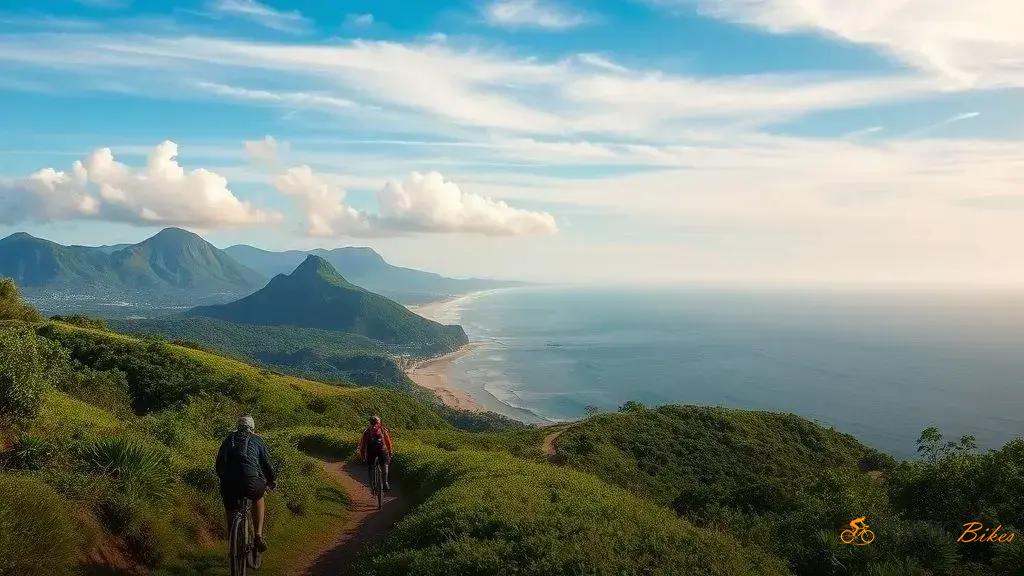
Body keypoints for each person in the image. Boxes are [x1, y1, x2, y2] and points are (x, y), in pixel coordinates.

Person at [215, 415, 277, 553]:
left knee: (230, 507)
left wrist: (224, 479)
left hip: (229, 483)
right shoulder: (257, 440)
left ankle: (233, 538)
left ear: (238, 426)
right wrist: (272, 480)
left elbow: (219, 464)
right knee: (259, 497)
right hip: (251, 481)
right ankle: (258, 535)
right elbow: (266, 464)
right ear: (252, 428)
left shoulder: (228, 440)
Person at [358, 415, 393, 491]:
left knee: (371, 467)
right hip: (382, 450)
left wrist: (363, 455)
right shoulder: (382, 429)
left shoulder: (367, 431)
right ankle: (385, 483)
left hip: (371, 451)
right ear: (379, 422)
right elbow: (388, 441)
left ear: (370, 422)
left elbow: (363, 445)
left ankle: (372, 484)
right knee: (385, 465)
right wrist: (390, 451)